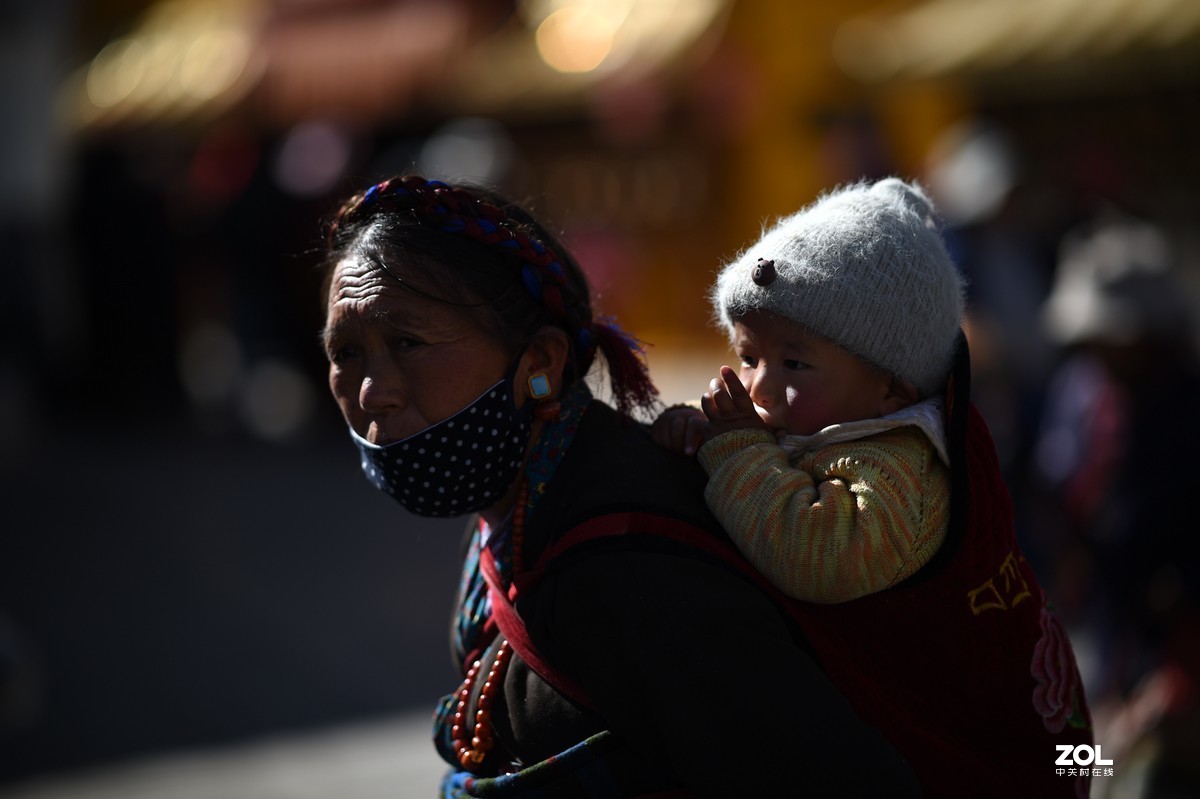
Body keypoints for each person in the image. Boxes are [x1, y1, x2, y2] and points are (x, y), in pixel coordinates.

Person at [319, 174, 921, 798]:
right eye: (346, 353)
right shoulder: (524, 505)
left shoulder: (630, 562)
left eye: (408, 343)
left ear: (540, 364)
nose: (372, 393)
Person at [652, 178, 1094, 796]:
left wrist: (733, 449)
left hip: (986, 758)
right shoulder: (826, 424)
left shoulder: (899, 467)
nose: (756, 387)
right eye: (749, 358)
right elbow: (774, 461)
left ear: (893, 388)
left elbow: (815, 555)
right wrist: (702, 438)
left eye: (794, 363)